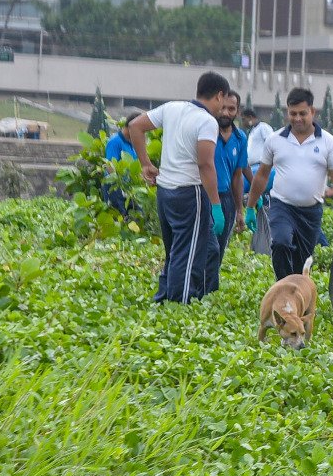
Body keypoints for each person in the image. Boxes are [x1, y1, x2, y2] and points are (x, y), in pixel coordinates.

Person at [127, 71, 230, 303]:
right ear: (219, 95)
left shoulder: (172, 108)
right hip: (189, 192)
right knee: (187, 254)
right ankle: (179, 303)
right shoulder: (207, 121)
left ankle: (165, 298)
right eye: (223, 101)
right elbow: (205, 164)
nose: (222, 108)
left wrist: (145, 164)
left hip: (165, 191)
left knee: (175, 250)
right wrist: (216, 205)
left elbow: (135, 126)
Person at [245, 89, 333, 281]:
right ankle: (283, 285)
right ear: (287, 112)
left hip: (310, 212)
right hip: (282, 206)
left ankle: (295, 288)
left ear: (312, 111)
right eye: (293, 113)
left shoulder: (328, 142)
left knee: (301, 262)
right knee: (280, 242)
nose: (297, 118)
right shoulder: (275, 140)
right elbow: (262, 175)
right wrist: (250, 206)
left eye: (302, 113)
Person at [208, 91, 248, 292]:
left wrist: (240, 209)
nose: (225, 112)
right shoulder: (206, 132)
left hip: (227, 200)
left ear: (237, 111)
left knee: (220, 248)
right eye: (222, 107)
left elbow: (237, 176)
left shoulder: (240, 138)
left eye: (231, 109)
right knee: (207, 247)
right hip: (205, 197)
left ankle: (210, 292)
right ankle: (197, 290)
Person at [103, 109, 142, 214]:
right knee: (120, 217)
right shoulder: (115, 141)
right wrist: (122, 188)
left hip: (129, 189)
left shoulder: (132, 143)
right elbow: (110, 167)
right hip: (115, 188)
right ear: (131, 126)